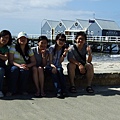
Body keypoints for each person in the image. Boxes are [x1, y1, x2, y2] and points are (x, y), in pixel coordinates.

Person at [6, 31, 36, 96]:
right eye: (21, 38)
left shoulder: (29, 49)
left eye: (24, 38)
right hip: (14, 64)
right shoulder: (13, 47)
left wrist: (27, 65)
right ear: (18, 40)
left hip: (24, 65)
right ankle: (11, 90)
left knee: (25, 71)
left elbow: (34, 62)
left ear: (27, 40)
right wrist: (19, 66)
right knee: (14, 70)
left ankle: (23, 90)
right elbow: (11, 60)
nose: (23, 40)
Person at [46, 33, 68, 98]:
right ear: (56, 40)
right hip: (50, 66)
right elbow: (50, 62)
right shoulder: (52, 48)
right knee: (54, 73)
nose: (61, 42)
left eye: (63, 40)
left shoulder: (63, 49)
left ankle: (64, 90)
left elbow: (60, 61)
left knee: (59, 71)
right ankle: (58, 91)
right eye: (60, 40)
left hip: (58, 66)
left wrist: (64, 54)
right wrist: (53, 67)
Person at [0, 30, 12, 98]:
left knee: (1, 70)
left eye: (7, 38)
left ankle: (0, 90)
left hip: (1, 66)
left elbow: (5, 58)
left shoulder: (5, 48)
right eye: (3, 37)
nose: (5, 39)